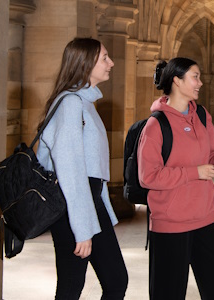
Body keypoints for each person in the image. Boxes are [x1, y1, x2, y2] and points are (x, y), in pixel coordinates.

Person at [138, 57, 214, 300]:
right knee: (168, 294)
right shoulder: (155, 125)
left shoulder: (203, 116)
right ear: (176, 80)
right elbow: (148, 176)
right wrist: (195, 172)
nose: (200, 83)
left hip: (205, 219)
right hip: (170, 224)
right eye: (195, 76)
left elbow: (213, 150)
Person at [36, 37, 128, 299]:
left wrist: (101, 213)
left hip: (88, 204)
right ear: (86, 63)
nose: (111, 63)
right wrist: (82, 228)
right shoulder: (71, 104)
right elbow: (71, 171)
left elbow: (93, 172)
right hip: (71, 206)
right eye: (104, 58)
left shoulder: (84, 103)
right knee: (71, 285)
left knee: (115, 280)